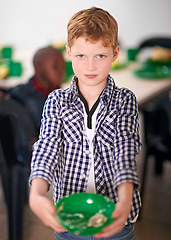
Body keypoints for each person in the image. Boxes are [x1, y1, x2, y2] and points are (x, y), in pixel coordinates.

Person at [29, 7, 142, 240]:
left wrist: (125, 199)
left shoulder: (125, 100)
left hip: (117, 220)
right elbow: (48, 146)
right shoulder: (56, 101)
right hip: (69, 220)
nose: (90, 67)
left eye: (100, 55)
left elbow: (125, 150)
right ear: (69, 53)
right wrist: (37, 193)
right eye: (81, 56)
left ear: (115, 53)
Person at [5, 46, 65, 136]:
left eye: (63, 66)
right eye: (55, 66)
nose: (61, 71)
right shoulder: (18, 95)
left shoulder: (65, 97)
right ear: (38, 69)